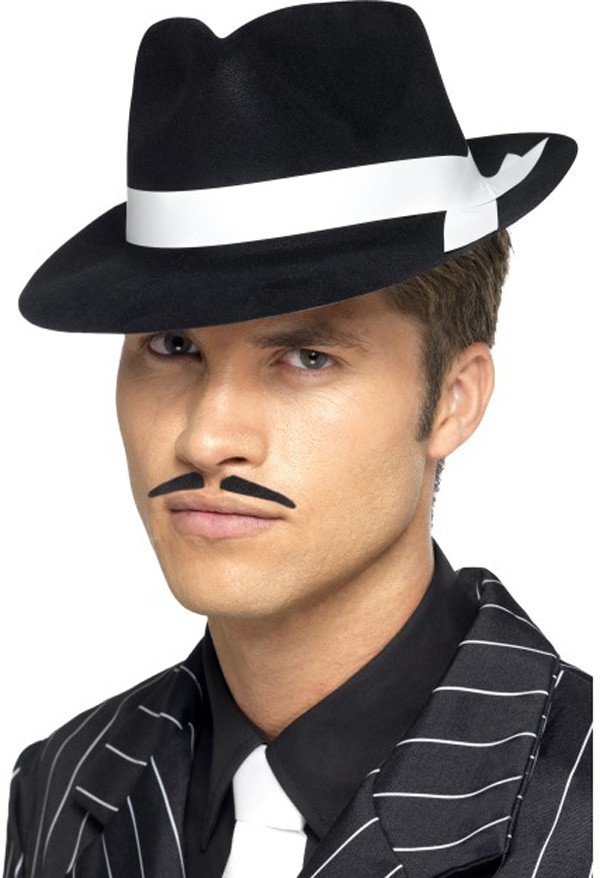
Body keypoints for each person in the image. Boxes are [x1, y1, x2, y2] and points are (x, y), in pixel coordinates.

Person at [3, 2, 592, 876]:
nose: (206, 438)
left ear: (454, 401)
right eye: (173, 346)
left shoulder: (577, 807)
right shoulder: (60, 787)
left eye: (308, 357)